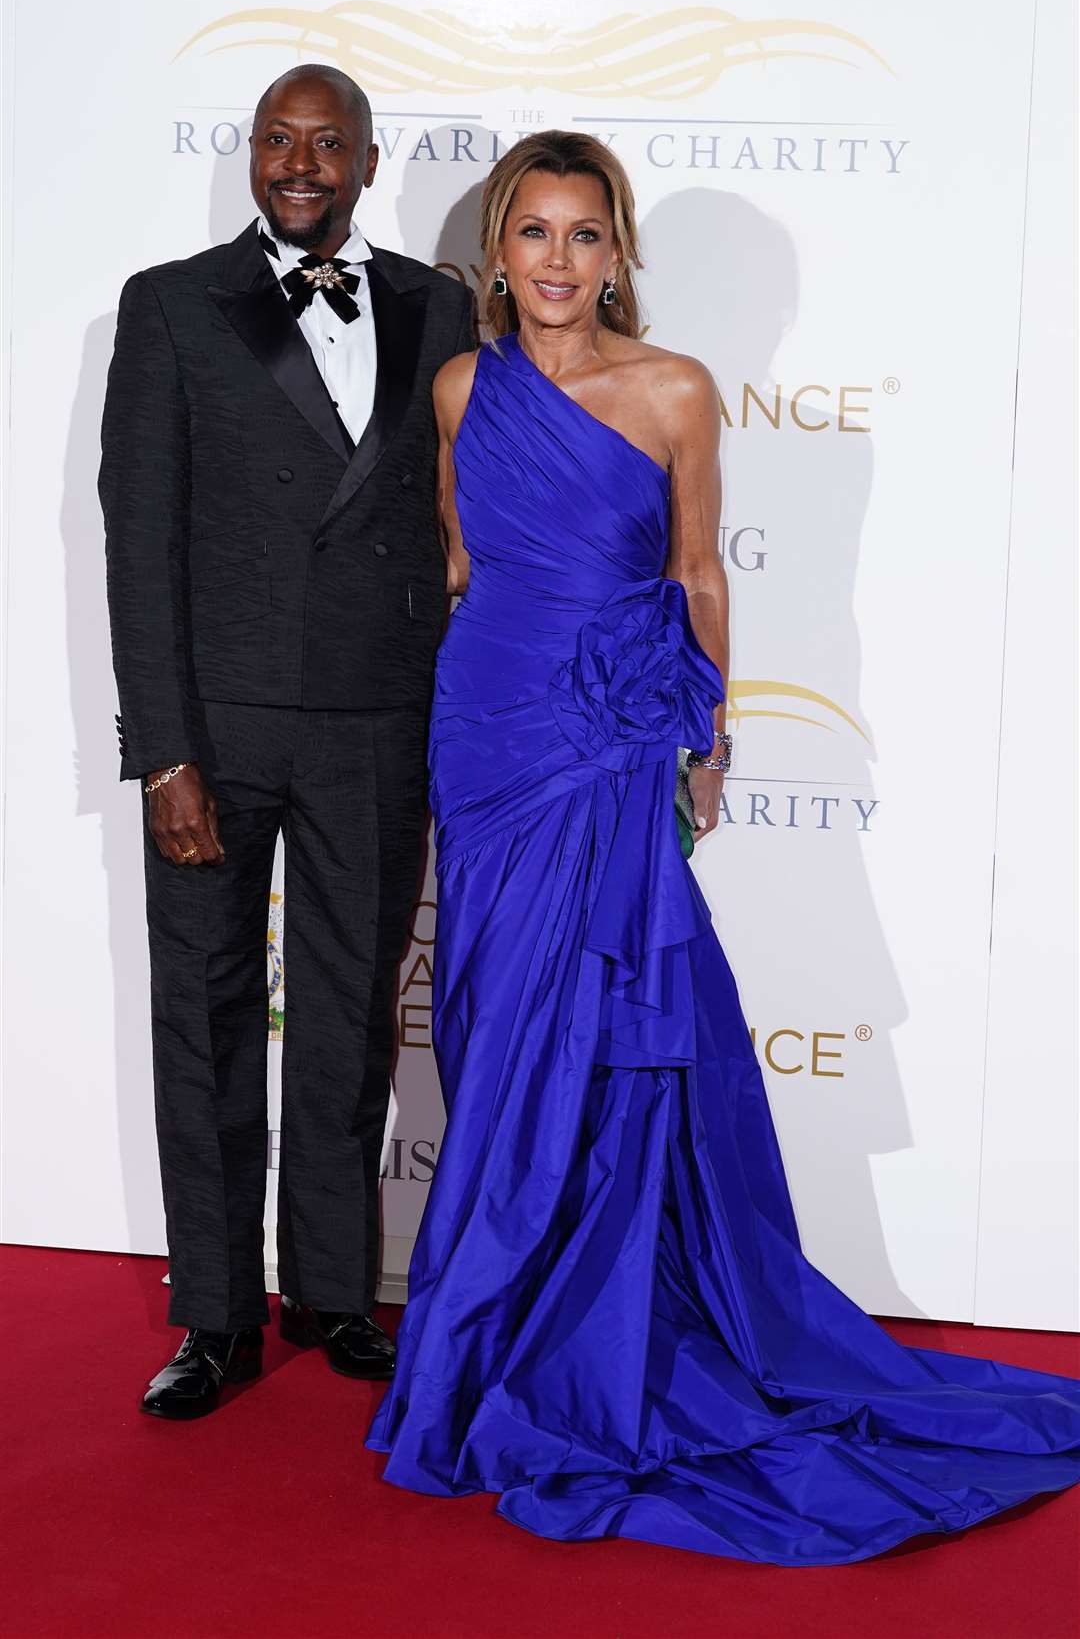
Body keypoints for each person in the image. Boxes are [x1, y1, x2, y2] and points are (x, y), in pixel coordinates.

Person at [366, 131, 1080, 1564]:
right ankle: (489, 1326)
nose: (558, 263)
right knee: (494, 1030)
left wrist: (704, 731)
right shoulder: (459, 386)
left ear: (619, 251)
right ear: (496, 249)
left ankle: (574, 1332)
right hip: (492, 732)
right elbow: (460, 555)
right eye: (533, 234)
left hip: (618, 738)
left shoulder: (678, 388)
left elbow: (697, 566)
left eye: (584, 236)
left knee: (606, 1040)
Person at [99, 64, 475, 1419]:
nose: (300, 163)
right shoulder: (171, 305)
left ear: (369, 163)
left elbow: (458, 525)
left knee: (348, 1016)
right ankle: (211, 1313)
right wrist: (164, 750)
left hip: (381, 715)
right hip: (221, 727)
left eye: (328, 143)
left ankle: (330, 1283)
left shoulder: (443, 307)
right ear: (250, 156)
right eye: (278, 140)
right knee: (202, 1013)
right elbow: (141, 548)